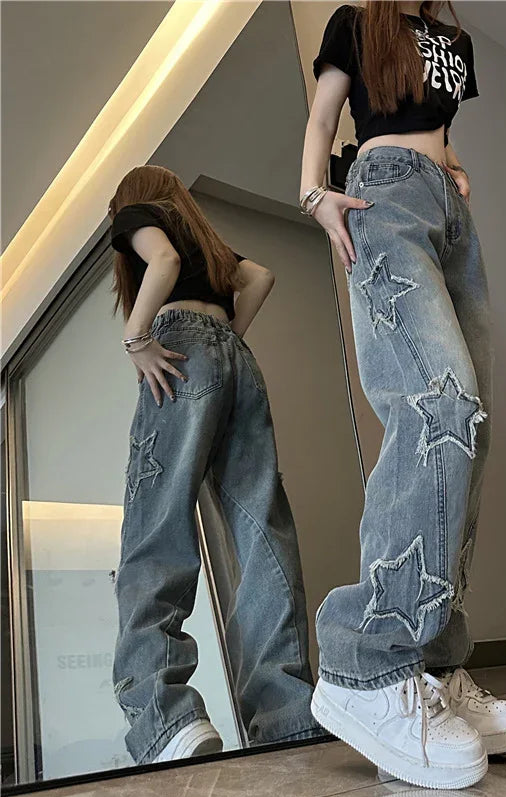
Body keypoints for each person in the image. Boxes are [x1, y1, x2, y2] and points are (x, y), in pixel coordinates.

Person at [301, 1, 506, 789]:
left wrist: (456, 167)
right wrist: (314, 193)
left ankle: (434, 662)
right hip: (382, 193)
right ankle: (366, 661)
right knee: (440, 407)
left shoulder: (452, 39)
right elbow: (324, 113)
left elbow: (441, 122)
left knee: (473, 423)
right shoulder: (354, 22)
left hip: (448, 210)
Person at [109, 165, 320, 764]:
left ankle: (164, 715)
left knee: (156, 531)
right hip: (237, 361)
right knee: (261, 534)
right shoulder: (205, 237)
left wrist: (137, 336)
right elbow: (259, 276)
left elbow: (163, 264)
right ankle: (287, 716)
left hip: (181, 354)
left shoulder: (134, 215)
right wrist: (222, 339)